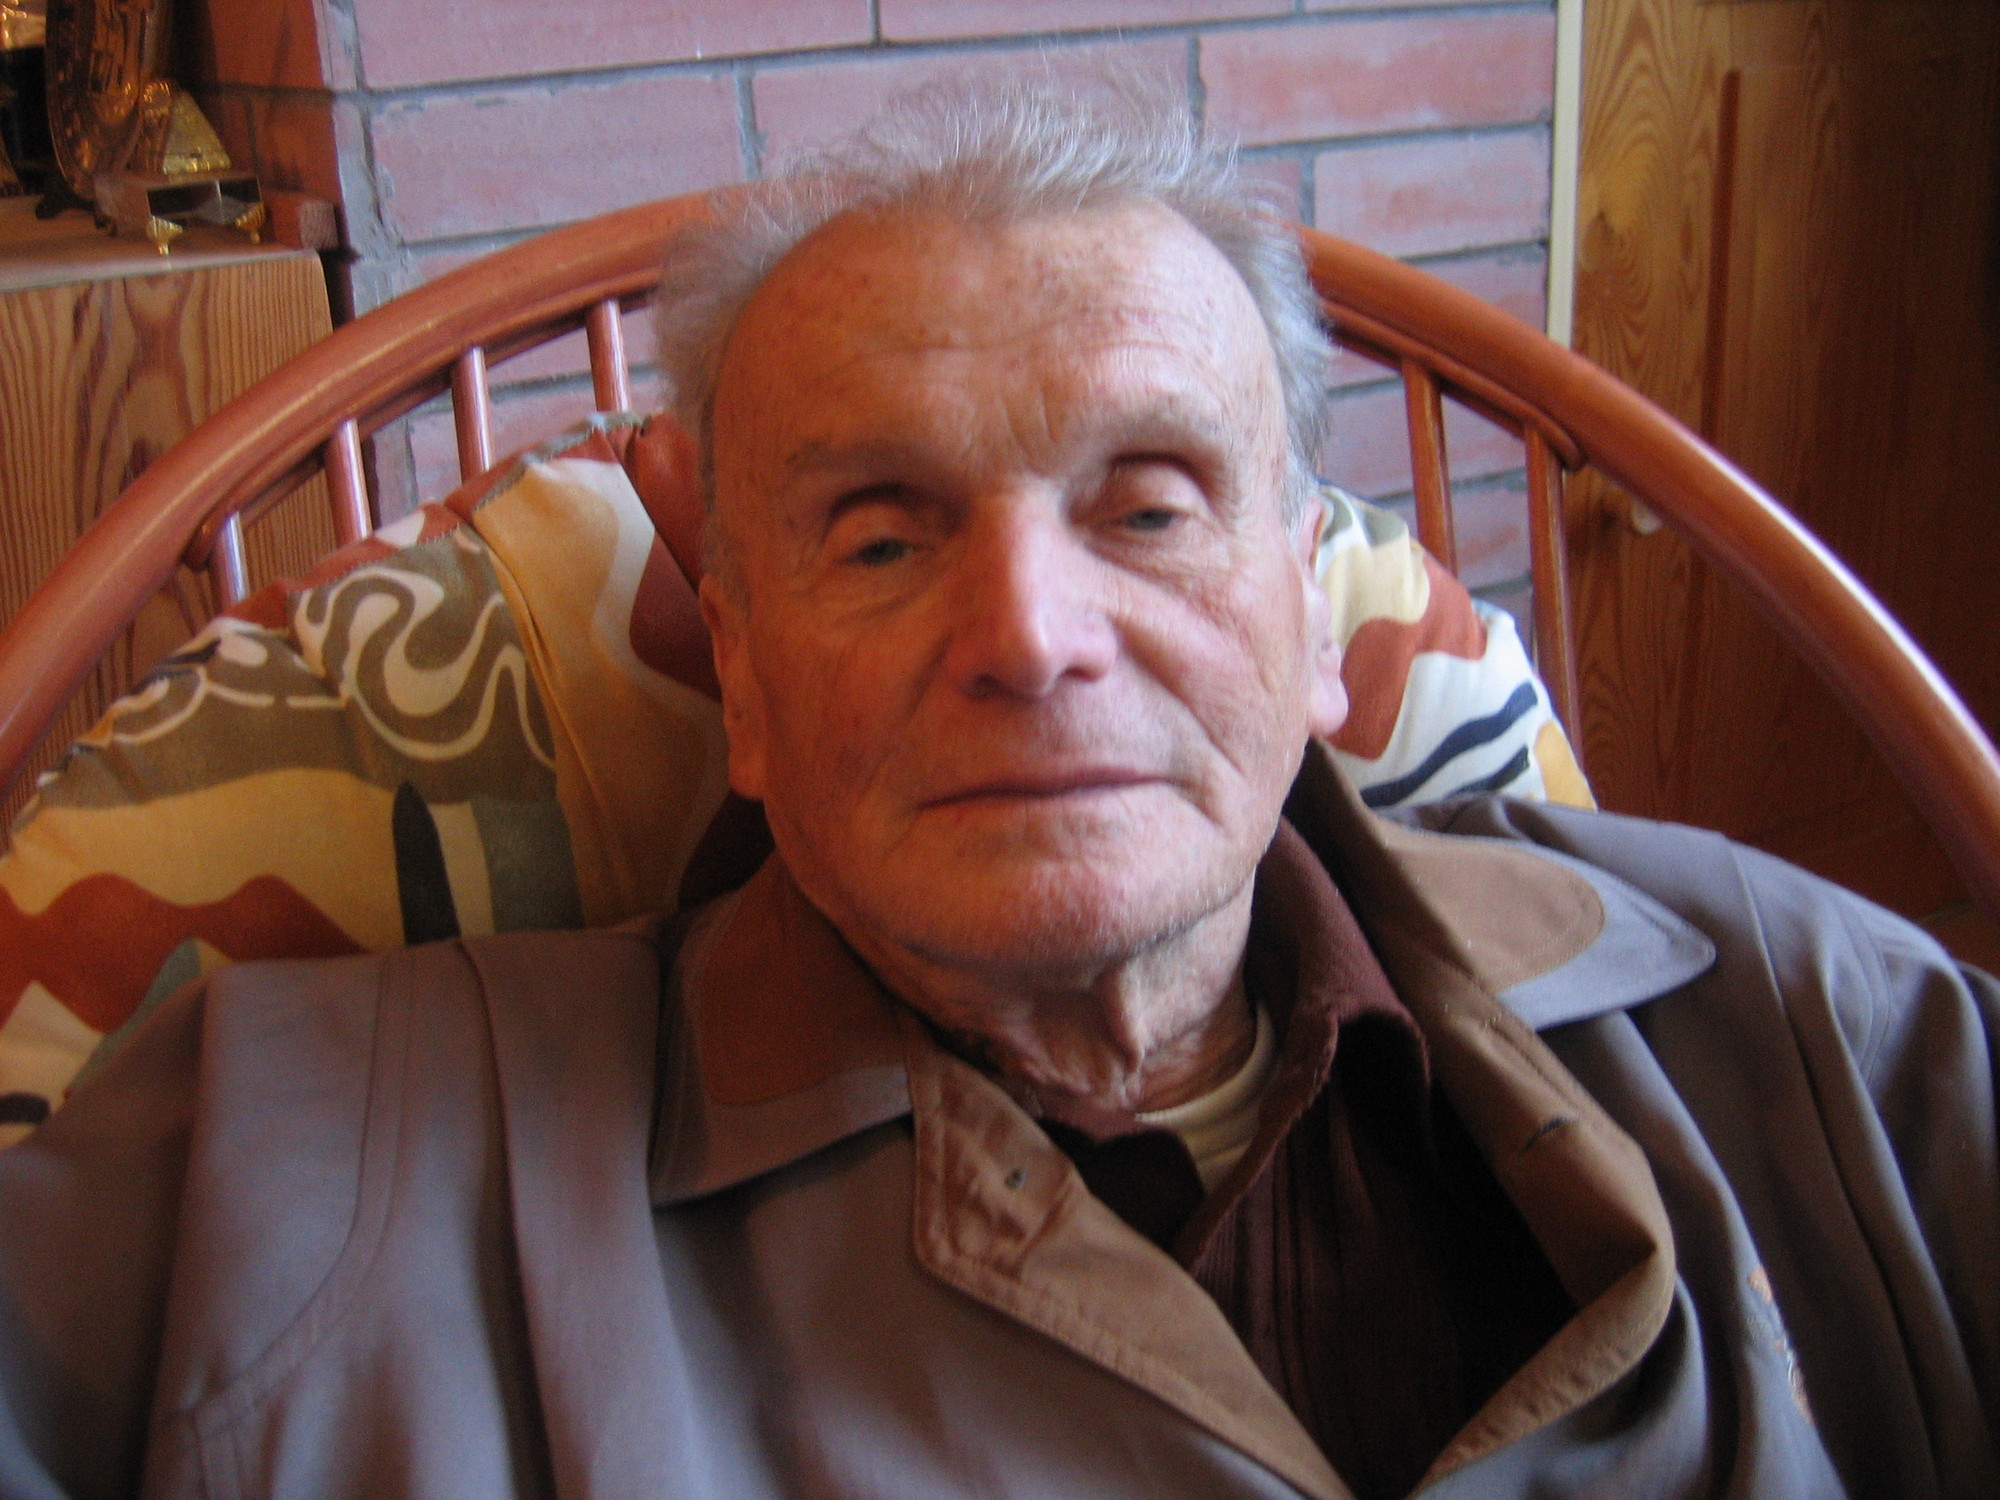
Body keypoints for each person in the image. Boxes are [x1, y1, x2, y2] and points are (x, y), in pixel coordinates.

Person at [1, 81, 1996, 1500]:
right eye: (880, 534)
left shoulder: (1804, 1008)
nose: (1032, 634)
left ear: (1313, 618)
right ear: (741, 676)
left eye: (1149, 504)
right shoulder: (271, 1160)